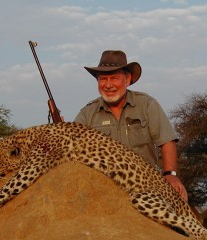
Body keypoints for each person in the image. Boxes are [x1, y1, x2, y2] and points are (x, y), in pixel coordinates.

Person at [74, 50, 188, 202]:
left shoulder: (147, 105)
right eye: (103, 79)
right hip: (103, 190)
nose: (108, 85)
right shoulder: (87, 113)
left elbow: (167, 141)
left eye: (114, 78)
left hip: (146, 186)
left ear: (127, 80)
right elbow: (71, 145)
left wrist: (170, 175)